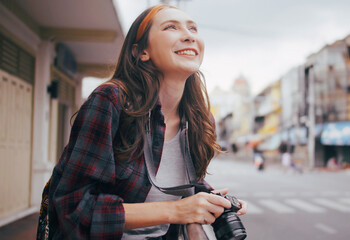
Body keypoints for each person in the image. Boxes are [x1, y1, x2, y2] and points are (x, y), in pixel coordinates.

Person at [40, 4, 247, 239]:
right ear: (141, 52)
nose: (189, 36)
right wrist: (175, 211)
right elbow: (73, 209)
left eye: (193, 29)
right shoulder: (111, 102)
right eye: (171, 27)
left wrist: (207, 201)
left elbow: (180, 187)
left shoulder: (201, 121)